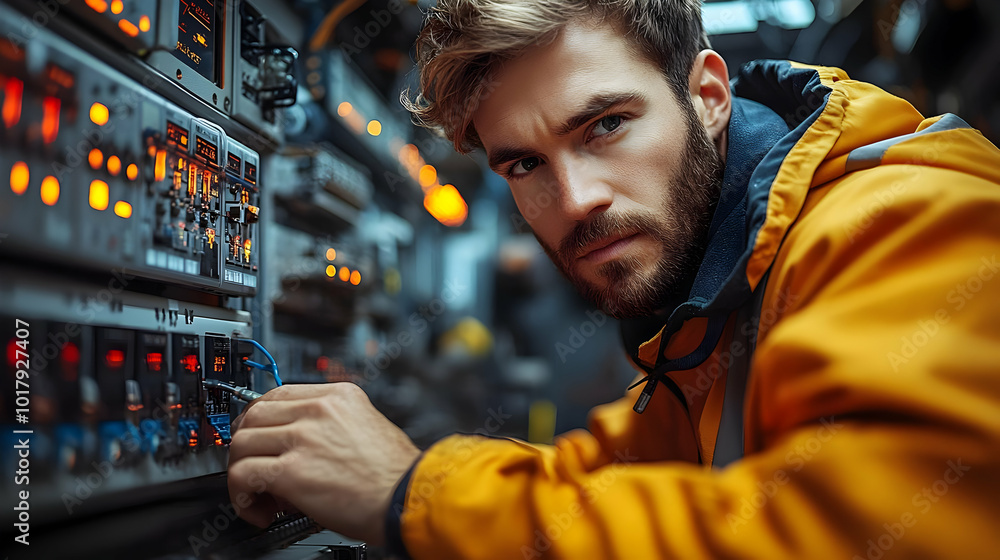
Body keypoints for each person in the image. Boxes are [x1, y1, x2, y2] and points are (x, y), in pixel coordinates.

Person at [227, 0, 1000, 557]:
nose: (575, 202)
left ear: (707, 98)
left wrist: (410, 495)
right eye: (525, 164)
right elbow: (598, 480)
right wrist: (381, 468)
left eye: (605, 125)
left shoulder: (905, 218)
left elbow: (866, 531)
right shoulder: (710, 317)